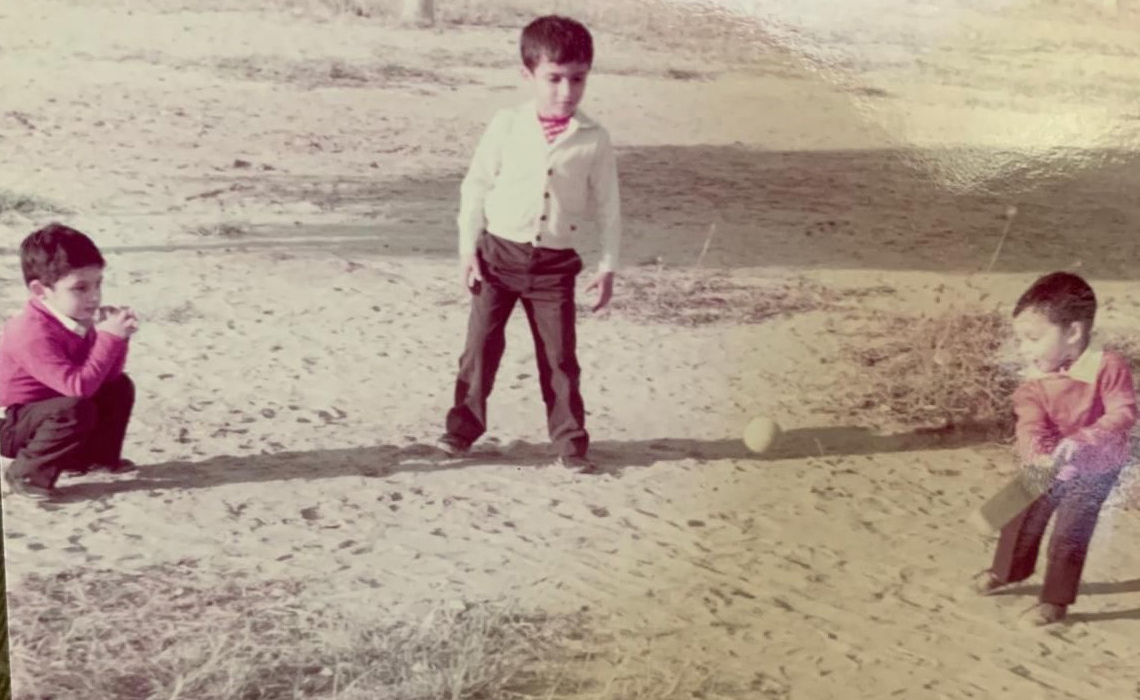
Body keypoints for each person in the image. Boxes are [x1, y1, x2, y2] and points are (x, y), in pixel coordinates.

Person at [436, 15, 622, 473]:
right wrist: (466, 252)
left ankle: (570, 443)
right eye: (553, 78)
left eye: (577, 79)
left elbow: (608, 208)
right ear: (528, 75)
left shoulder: (594, 139)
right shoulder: (506, 124)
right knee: (479, 348)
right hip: (497, 256)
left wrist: (607, 266)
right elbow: (475, 186)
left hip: (555, 266)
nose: (566, 91)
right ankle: (461, 431)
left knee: (559, 358)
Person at [975, 271, 1136, 625]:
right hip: (1049, 457)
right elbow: (1029, 421)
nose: (1024, 349)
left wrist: (1082, 440)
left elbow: (1123, 412)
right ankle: (1007, 571)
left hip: (1097, 463)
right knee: (1017, 513)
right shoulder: (1036, 375)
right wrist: (1039, 456)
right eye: (1020, 340)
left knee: (1069, 533)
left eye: (1033, 338)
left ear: (1074, 333)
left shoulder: (1108, 367)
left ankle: (1055, 601)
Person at [0, 223, 140, 500]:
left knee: (119, 386)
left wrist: (117, 339)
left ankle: (92, 459)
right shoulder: (31, 331)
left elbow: (106, 378)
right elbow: (78, 388)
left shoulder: (73, 318)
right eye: (80, 288)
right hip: (11, 423)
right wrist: (108, 339)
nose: (94, 296)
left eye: (98, 284)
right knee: (73, 407)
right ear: (41, 290)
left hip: (48, 409)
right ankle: (26, 473)